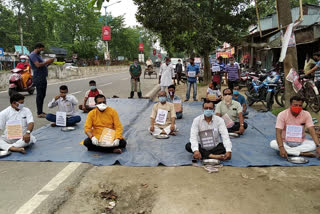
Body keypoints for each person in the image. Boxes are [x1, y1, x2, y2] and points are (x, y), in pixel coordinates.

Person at [29, 43, 54, 118]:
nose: (42, 51)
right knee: (40, 95)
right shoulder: (33, 55)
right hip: (38, 77)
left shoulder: (38, 56)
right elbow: (37, 65)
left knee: (43, 95)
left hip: (42, 77)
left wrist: (48, 63)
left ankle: (40, 111)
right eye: (41, 49)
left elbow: (42, 66)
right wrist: (47, 61)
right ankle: (39, 113)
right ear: (38, 48)